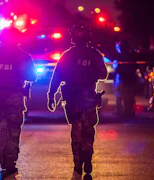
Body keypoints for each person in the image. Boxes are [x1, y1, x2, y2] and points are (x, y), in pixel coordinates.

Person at [47, 24, 108, 178]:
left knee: (77, 132)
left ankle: (78, 164)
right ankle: (86, 157)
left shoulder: (68, 55)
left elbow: (57, 77)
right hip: (86, 97)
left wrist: (51, 95)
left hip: (73, 99)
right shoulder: (94, 54)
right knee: (88, 131)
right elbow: (103, 74)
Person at [0, 26, 37, 179]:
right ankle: (10, 163)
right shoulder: (24, 56)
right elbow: (32, 77)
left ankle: (6, 163)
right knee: (13, 132)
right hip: (15, 99)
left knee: (2, 131)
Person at [113, 38, 136, 116]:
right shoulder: (131, 55)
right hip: (128, 78)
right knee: (128, 94)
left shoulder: (121, 56)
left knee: (121, 94)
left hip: (122, 78)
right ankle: (128, 110)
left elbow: (118, 68)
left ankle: (122, 110)